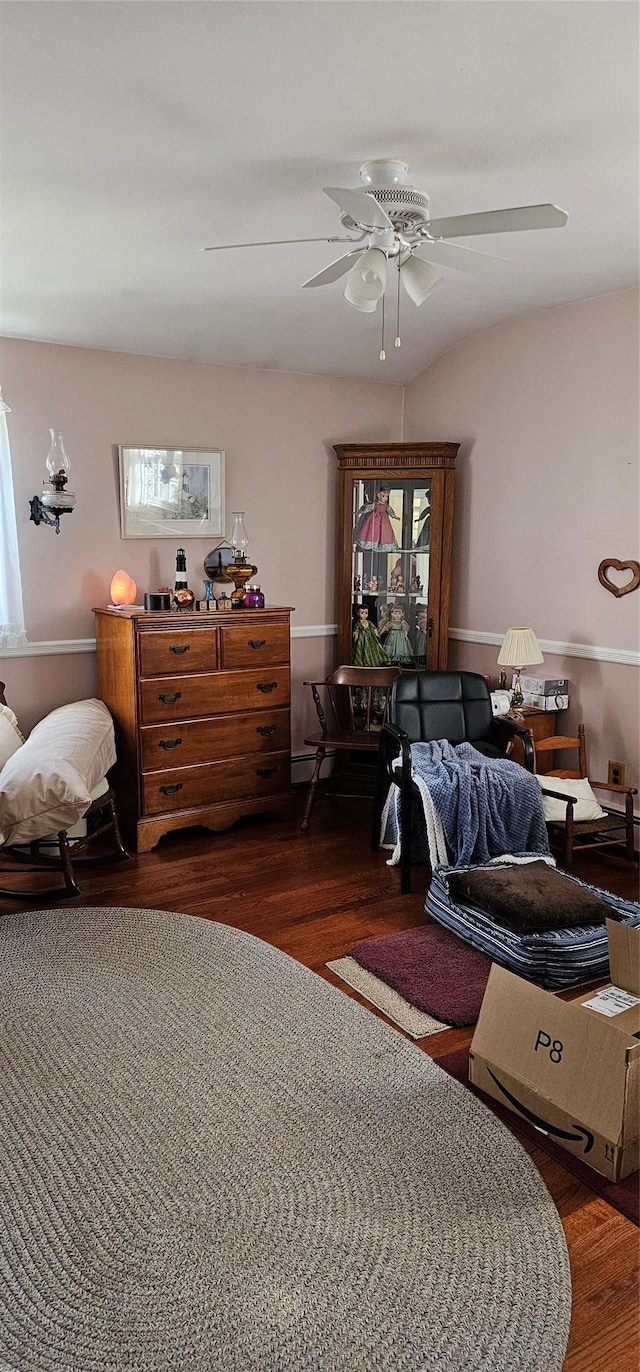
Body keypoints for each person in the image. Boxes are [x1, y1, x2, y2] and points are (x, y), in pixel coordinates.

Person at [353, 484, 399, 551]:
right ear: (378, 495)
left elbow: (390, 511)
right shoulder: (375, 505)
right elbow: (369, 508)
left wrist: (394, 516)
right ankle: (372, 544)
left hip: (384, 521)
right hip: (374, 520)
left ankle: (382, 545)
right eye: (383, 496)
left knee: (384, 533)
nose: (385, 498)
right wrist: (362, 511)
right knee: (372, 531)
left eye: (387, 496)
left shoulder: (386, 506)